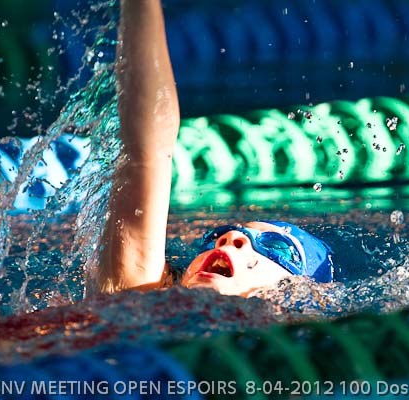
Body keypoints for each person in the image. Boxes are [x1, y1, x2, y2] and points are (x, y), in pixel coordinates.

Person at [97, 0, 333, 297]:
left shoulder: (134, 303)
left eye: (278, 247)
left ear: (302, 291)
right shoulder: (138, 294)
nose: (232, 237)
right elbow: (147, 154)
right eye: (217, 236)